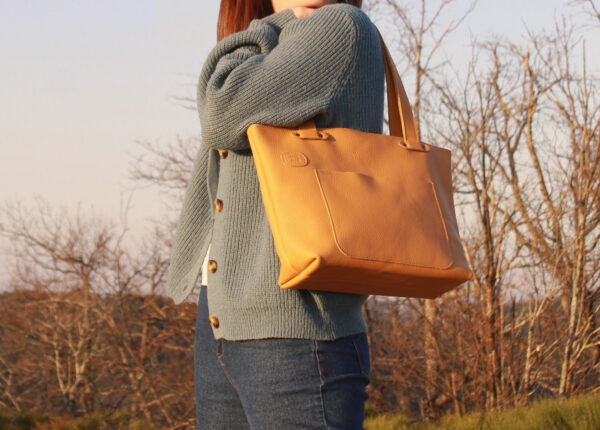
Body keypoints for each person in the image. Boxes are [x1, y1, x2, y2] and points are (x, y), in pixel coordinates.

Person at [164, 0, 385, 428]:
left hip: (297, 331)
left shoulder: (340, 26)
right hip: (222, 319)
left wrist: (264, 26)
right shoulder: (278, 43)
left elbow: (222, 111)